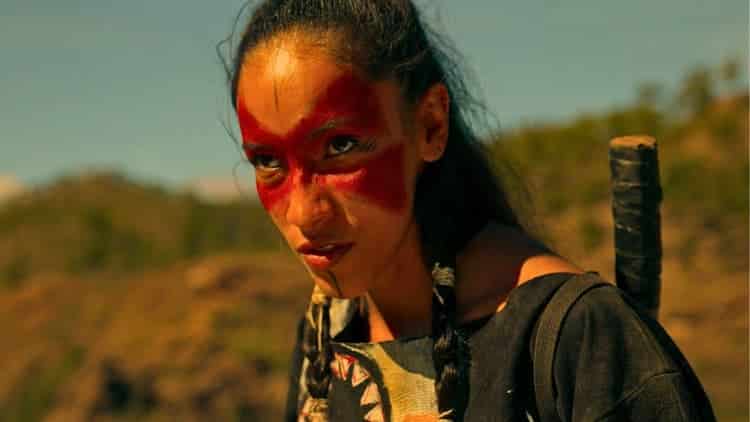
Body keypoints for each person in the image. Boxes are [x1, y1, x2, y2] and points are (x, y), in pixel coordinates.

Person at [222, 1, 716, 420]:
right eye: (267, 162)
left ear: (431, 127)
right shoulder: (324, 334)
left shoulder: (580, 339)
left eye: (341, 146)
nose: (304, 213)